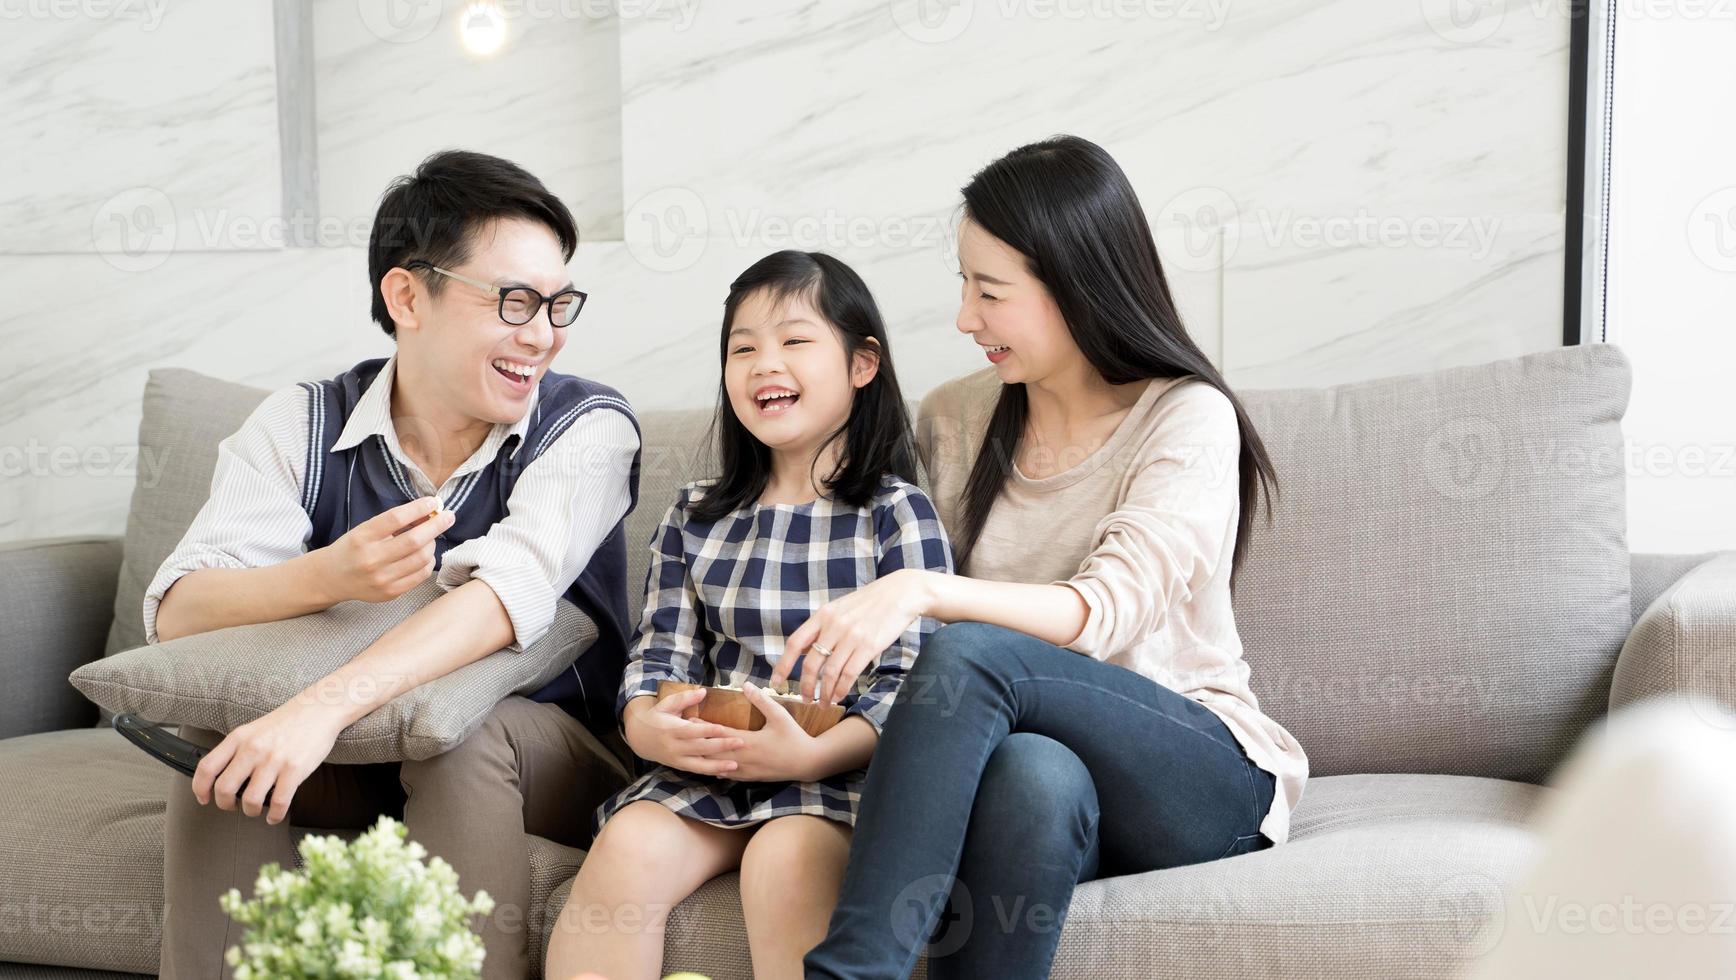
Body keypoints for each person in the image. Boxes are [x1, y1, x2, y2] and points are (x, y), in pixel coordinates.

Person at [783, 135, 1312, 978]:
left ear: (1078, 285)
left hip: (1199, 775)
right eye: (963, 283)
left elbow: (1104, 613)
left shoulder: (1186, 417)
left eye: (990, 291)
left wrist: (924, 591)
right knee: (1033, 774)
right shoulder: (957, 416)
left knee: (972, 651)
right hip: (1048, 774)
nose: (964, 317)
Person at [148, 150, 641, 979]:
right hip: (358, 750)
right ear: (407, 295)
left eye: (558, 304)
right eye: (514, 301)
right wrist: (328, 577)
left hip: (544, 752)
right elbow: (175, 613)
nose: (543, 334)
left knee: (457, 736)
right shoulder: (301, 423)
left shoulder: (589, 428)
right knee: (224, 747)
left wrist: (316, 707)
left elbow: (501, 597)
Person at [544, 250, 954, 980]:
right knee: (628, 847)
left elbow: (914, 684)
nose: (765, 363)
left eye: (795, 341)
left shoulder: (893, 514)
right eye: (743, 347)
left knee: (786, 857)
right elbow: (658, 655)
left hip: (837, 777)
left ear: (863, 365)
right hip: (710, 770)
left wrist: (814, 755)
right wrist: (647, 724)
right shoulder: (696, 514)